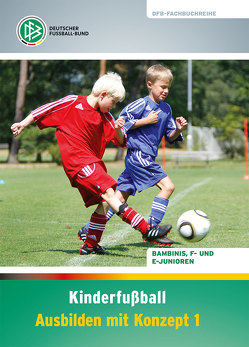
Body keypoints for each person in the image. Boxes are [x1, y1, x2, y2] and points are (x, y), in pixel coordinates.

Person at [11, 72, 172, 256]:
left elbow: (122, 141)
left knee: (103, 204)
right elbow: (45, 109)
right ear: (102, 94)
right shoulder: (72, 103)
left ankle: (90, 244)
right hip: (79, 163)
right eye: (113, 101)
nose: (114, 106)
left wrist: (119, 129)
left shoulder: (107, 117)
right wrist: (23, 123)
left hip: (93, 164)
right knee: (111, 194)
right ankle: (146, 229)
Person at [78, 65, 188, 243]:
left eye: (168, 87)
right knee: (168, 187)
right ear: (150, 84)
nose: (166, 90)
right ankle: (151, 229)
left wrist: (178, 129)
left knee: (119, 197)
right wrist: (145, 120)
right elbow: (120, 123)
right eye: (162, 86)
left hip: (144, 158)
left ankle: (88, 229)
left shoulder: (166, 109)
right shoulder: (141, 104)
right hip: (138, 156)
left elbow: (171, 136)